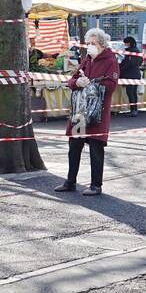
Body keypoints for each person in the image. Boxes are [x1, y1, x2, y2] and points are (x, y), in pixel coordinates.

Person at [55, 28, 119, 195]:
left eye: (94, 43)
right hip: (80, 112)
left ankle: (95, 185)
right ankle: (70, 181)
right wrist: (77, 83)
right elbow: (71, 80)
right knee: (74, 147)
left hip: (97, 113)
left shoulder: (111, 61)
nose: (90, 46)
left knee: (96, 149)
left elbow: (111, 86)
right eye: (89, 43)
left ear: (102, 45)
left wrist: (91, 84)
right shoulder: (86, 60)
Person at [120, 36, 143, 117]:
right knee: (133, 92)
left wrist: (121, 68)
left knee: (130, 92)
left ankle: (133, 110)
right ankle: (134, 109)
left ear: (129, 43)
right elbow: (139, 62)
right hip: (135, 74)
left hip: (131, 75)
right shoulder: (136, 51)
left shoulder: (131, 52)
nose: (124, 44)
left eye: (125, 43)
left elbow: (129, 64)